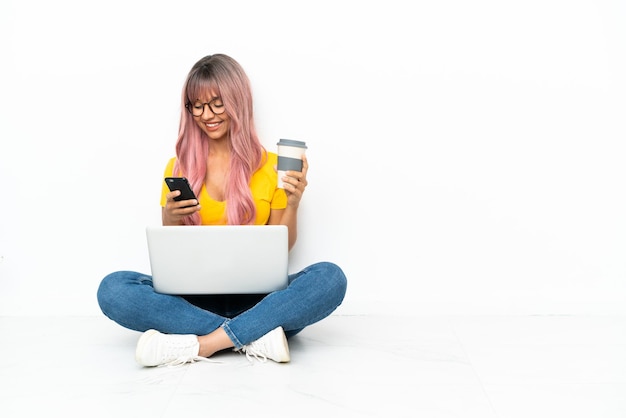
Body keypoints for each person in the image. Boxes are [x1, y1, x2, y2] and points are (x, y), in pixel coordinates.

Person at [96, 54, 347, 367]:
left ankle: (203, 344)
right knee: (113, 289)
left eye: (217, 103)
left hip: (259, 298)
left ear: (237, 101)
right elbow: (168, 255)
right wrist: (171, 219)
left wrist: (293, 202)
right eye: (197, 105)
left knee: (330, 278)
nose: (206, 115)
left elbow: (284, 246)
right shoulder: (177, 168)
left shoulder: (271, 166)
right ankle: (253, 335)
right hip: (193, 300)